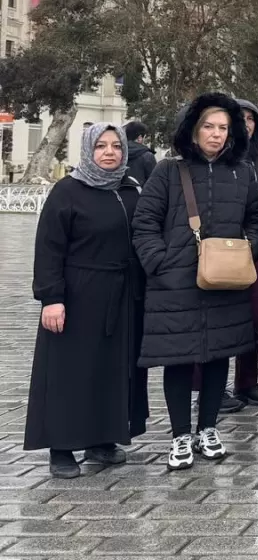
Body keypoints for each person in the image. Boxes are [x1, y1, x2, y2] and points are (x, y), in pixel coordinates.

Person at [132, 92, 258, 471]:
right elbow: (144, 223)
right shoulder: (168, 171)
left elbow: (255, 219)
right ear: (193, 129)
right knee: (178, 359)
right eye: (209, 126)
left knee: (216, 355)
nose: (216, 134)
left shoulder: (242, 173)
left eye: (223, 127)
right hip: (176, 281)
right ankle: (179, 434)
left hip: (225, 280)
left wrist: (248, 249)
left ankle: (207, 427)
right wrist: (160, 263)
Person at [24, 123, 149, 479]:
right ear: (88, 150)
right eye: (101, 146)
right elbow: (49, 249)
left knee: (111, 370)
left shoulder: (130, 190)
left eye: (116, 146)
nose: (109, 152)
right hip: (78, 294)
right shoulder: (68, 191)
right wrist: (52, 298)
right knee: (70, 372)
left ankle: (102, 439)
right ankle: (61, 448)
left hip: (122, 295)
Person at [220, 99, 258, 412]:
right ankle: (210, 389)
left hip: (250, 247)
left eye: (251, 118)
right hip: (216, 250)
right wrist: (257, 199)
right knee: (215, 320)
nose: (246, 123)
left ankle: (247, 382)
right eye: (239, 117)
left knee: (252, 320)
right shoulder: (215, 157)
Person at [123, 120, 156, 185]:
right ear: (140, 138)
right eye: (145, 137)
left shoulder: (118, 153)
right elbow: (155, 182)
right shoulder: (148, 156)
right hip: (142, 193)